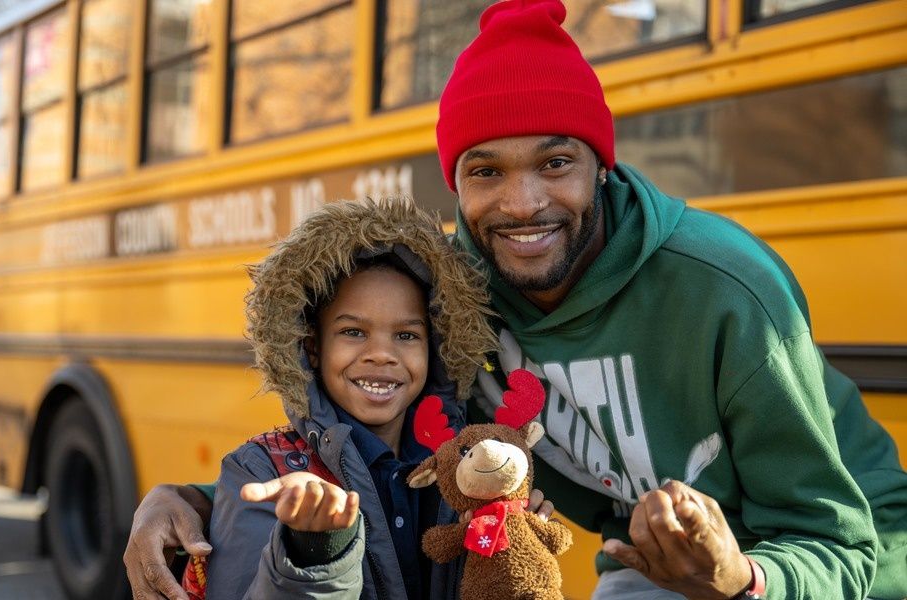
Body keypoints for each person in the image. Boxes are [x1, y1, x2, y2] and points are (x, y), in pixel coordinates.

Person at [124, 1, 907, 599]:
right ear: (456, 183)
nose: (522, 203)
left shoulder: (729, 289)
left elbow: (840, 539)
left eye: (555, 162)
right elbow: (392, 448)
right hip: (652, 567)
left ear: (600, 164)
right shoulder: (456, 300)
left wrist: (741, 578)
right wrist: (192, 496)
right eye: (485, 171)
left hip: (833, 565)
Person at [202, 197, 523, 599]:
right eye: (353, 332)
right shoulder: (261, 472)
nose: (382, 354)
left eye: (406, 336)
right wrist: (313, 551)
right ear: (312, 346)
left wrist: (510, 540)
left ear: (437, 350)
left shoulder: (468, 466)